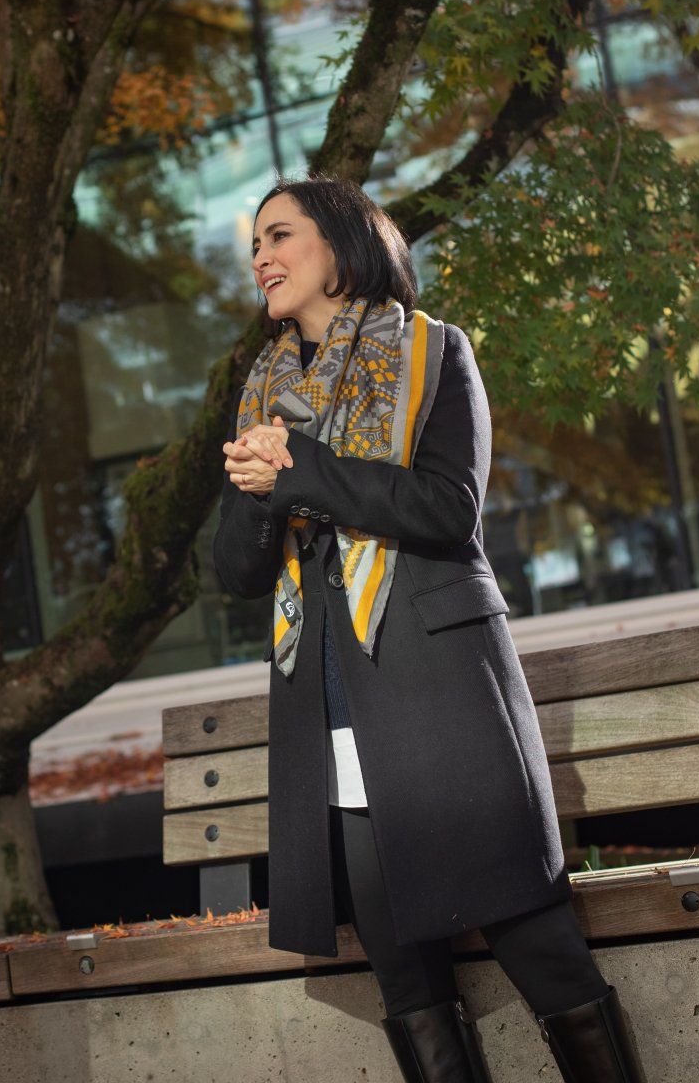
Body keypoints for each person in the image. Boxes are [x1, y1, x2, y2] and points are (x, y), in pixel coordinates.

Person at [215, 177, 643, 1082]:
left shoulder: (434, 353)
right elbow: (239, 575)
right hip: (329, 715)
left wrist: (298, 475)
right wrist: (260, 494)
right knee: (404, 983)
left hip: (438, 699)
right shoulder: (263, 393)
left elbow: (446, 508)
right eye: (255, 242)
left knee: (539, 944)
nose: (262, 257)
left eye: (280, 235)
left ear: (340, 245)